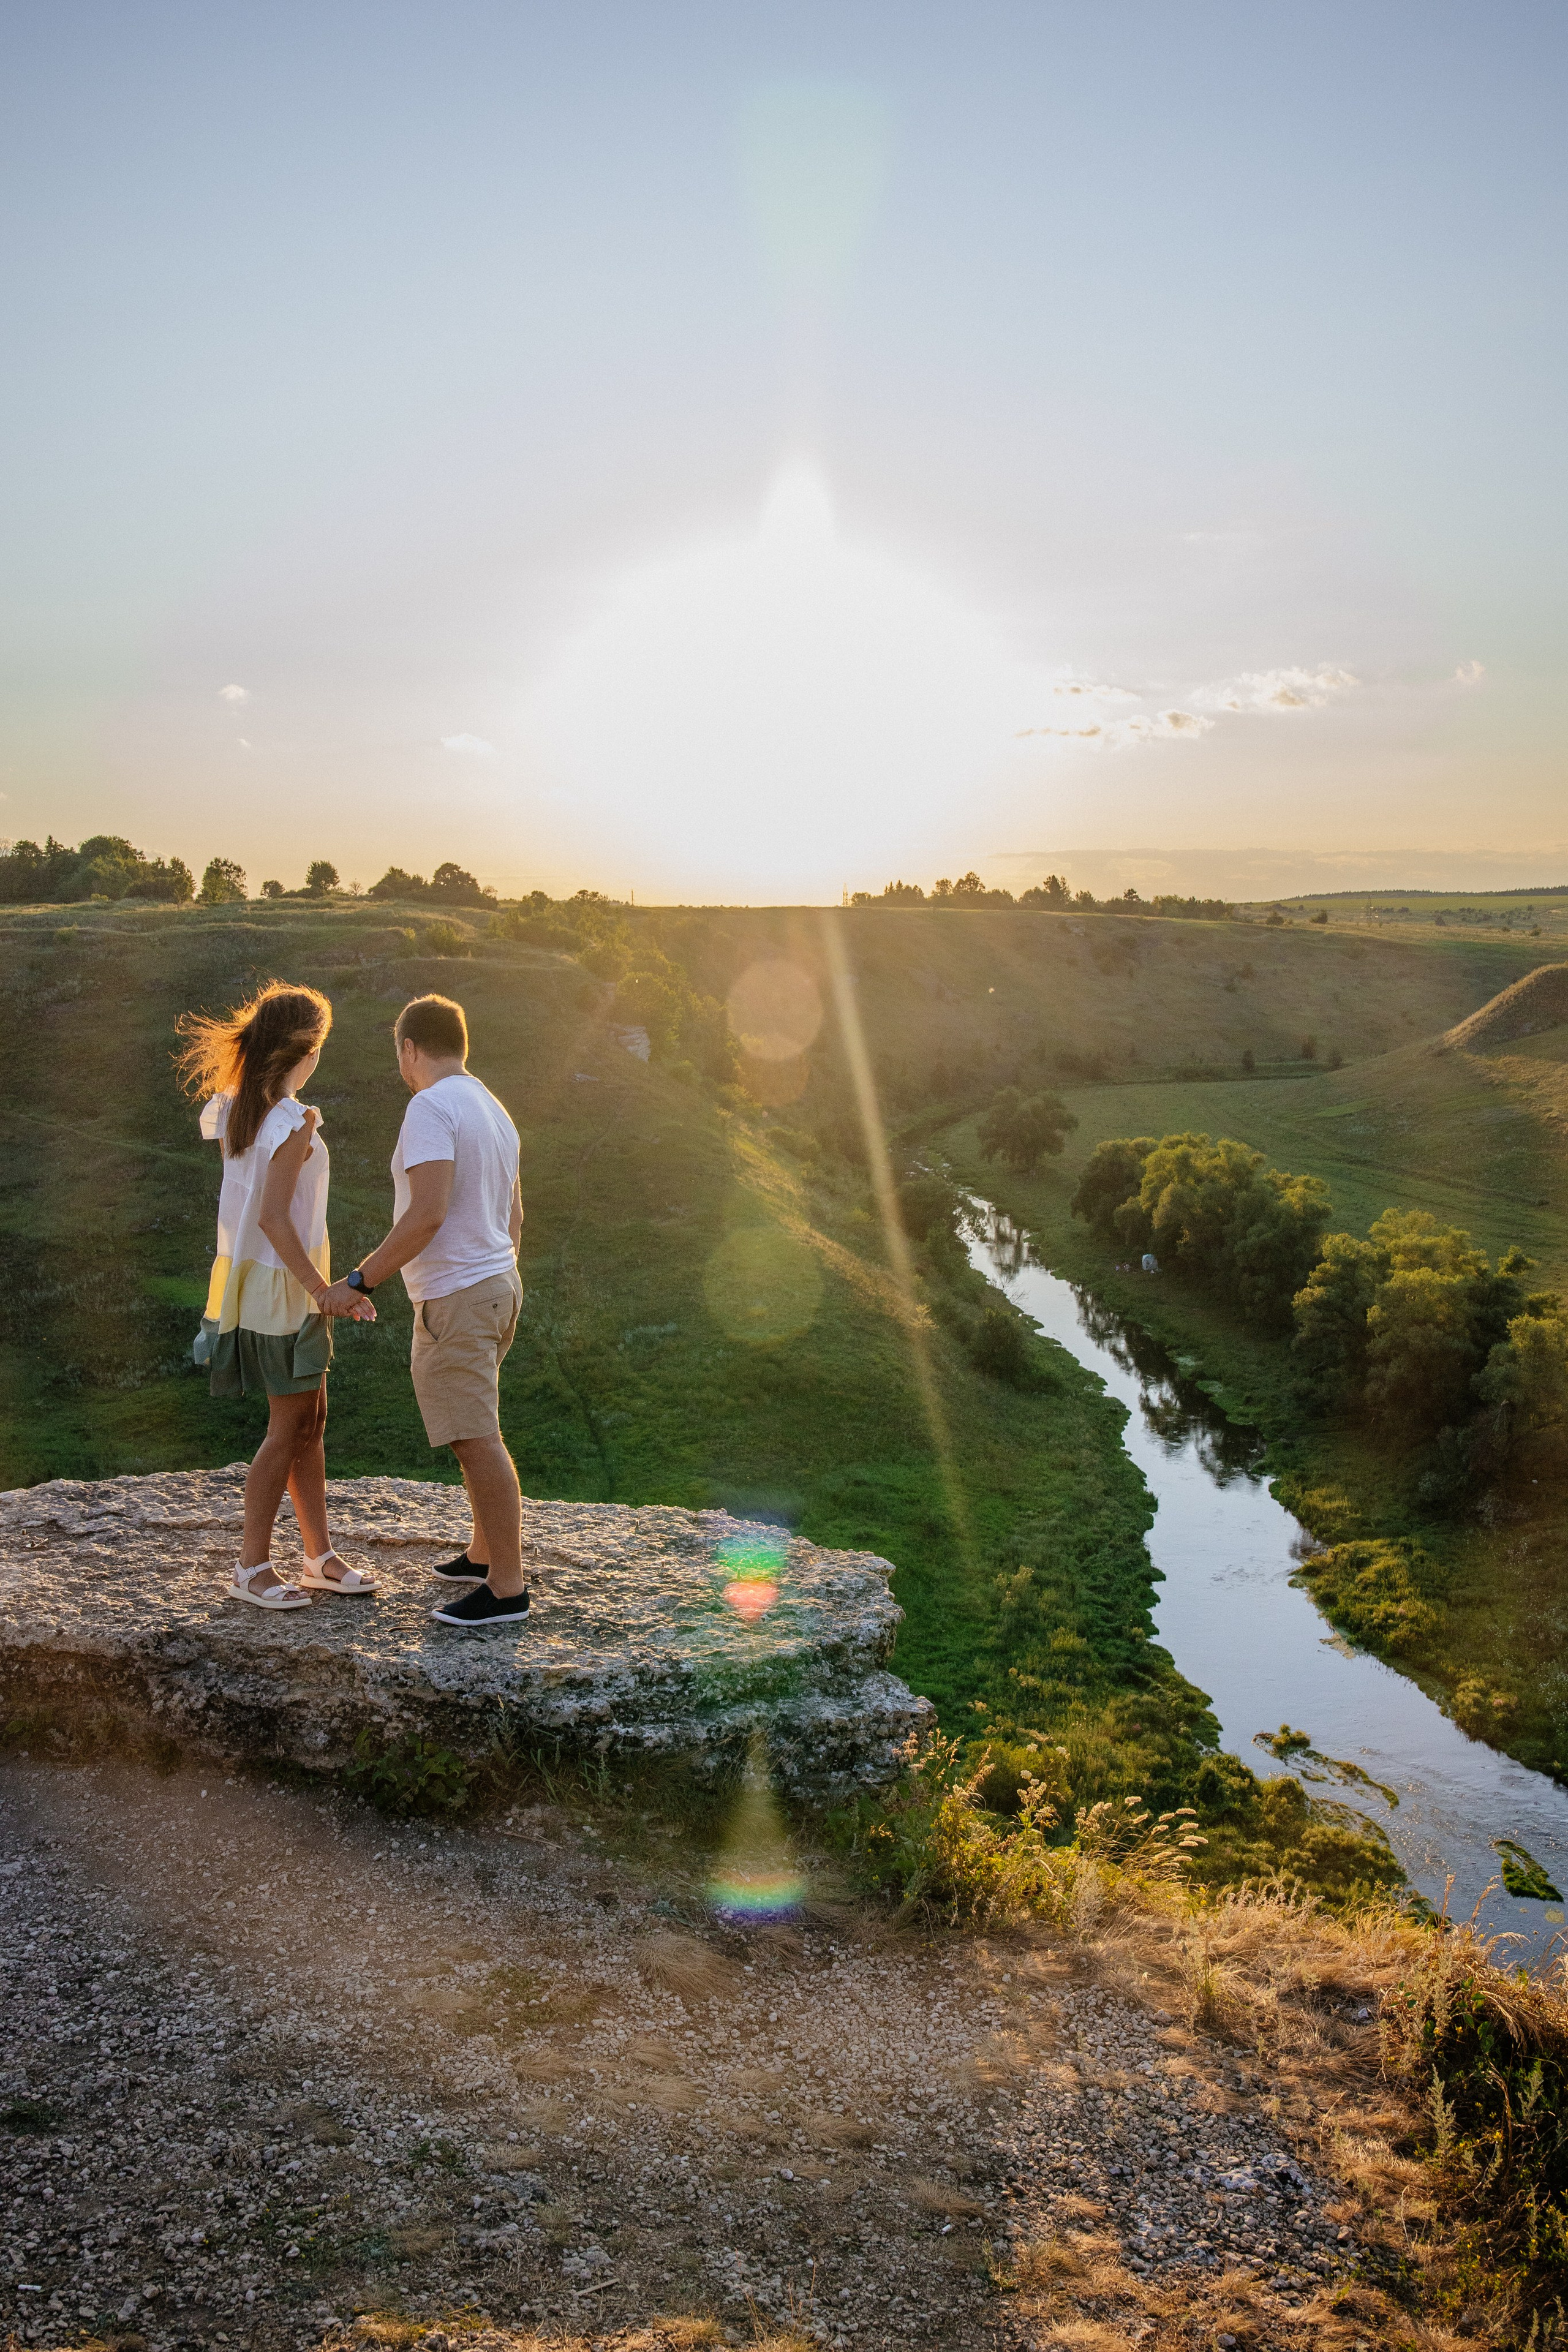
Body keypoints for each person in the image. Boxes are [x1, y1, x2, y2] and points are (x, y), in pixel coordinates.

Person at [320, 993, 530, 1629]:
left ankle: (506, 1588)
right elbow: (516, 1216)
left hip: (462, 1294)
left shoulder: (430, 1106)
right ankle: (482, 1553)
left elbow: (427, 1212)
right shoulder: (492, 1106)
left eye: (400, 1057)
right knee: (475, 1429)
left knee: (474, 1437)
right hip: (499, 1283)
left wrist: (359, 1280)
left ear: (411, 1049)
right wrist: (492, 1271)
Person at [178, 982, 378, 1610]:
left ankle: (317, 1555)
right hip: (285, 1284)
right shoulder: (292, 1118)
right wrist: (324, 1290)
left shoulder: (241, 1106)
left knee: (310, 1421)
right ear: (307, 1049)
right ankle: (250, 1566)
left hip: (265, 1278)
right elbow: (271, 1215)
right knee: (289, 1424)